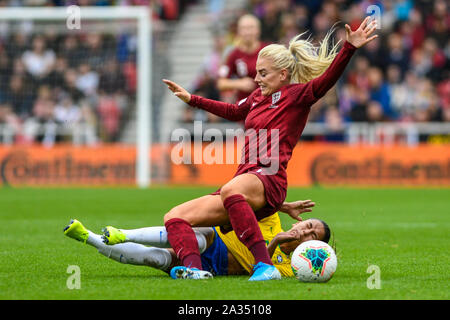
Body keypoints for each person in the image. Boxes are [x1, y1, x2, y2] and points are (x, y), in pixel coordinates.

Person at [162, 17, 377, 281]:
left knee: (231, 189)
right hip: (246, 177)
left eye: (262, 73)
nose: (256, 78)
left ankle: (264, 266)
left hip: (269, 178)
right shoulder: (256, 97)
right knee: (175, 217)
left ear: (282, 75)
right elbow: (232, 110)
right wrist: (191, 99)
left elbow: (327, 80)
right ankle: (195, 271)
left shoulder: (298, 96)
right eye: (257, 73)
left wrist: (349, 49)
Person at [63, 200, 331, 278]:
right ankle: (121, 233)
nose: (305, 232)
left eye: (311, 235)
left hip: (217, 267)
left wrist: (274, 244)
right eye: (308, 225)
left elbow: (259, 267)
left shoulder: (294, 266)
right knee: (196, 235)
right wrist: (282, 206)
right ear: (301, 221)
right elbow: (254, 200)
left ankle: (89, 238)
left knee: (156, 259)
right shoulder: (272, 221)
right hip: (217, 241)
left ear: (312, 246)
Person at [217, 14, 268, 103]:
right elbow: (220, 83)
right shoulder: (233, 54)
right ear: (238, 31)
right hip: (245, 107)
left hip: (267, 103)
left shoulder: (268, 50)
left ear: (258, 30)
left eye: (251, 28)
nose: (247, 32)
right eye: (244, 28)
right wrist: (239, 83)